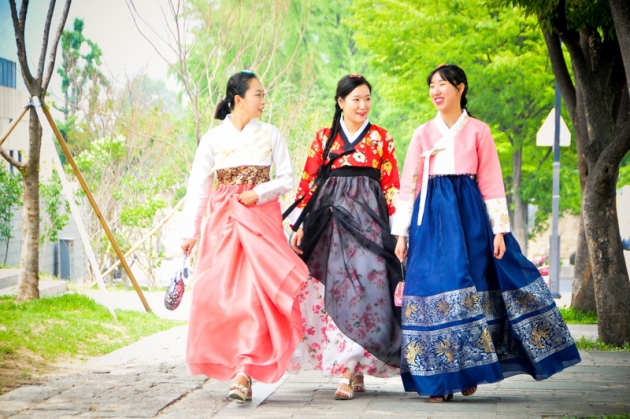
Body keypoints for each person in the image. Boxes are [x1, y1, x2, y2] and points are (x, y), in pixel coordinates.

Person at [392, 64, 581, 403]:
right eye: (432, 85)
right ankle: (440, 381)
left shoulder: (479, 131)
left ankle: (470, 370)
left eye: (443, 84)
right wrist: (401, 234)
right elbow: (408, 186)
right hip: (430, 221)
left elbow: (491, 183)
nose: (436, 91)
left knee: (472, 288)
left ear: (460, 88)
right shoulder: (423, 133)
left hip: (469, 219)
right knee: (434, 289)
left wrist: (499, 231)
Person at [180, 71, 309, 403]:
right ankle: (234, 363)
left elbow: (287, 178)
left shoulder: (271, 134)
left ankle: (244, 372)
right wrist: (190, 232)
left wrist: (259, 192)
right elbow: (198, 188)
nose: (264, 100)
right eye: (258, 94)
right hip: (223, 223)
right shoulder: (212, 139)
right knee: (221, 296)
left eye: (264, 94)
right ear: (238, 100)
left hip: (260, 220)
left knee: (254, 296)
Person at [288, 74, 402, 400]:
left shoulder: (382, 138)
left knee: (368, 290)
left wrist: (399, 232)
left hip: (370, 225)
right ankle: (347, 369)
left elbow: (392, 186)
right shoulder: (324, 137)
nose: (363, 105)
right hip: (331, 223)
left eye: (367, 99)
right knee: (339, 290)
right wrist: (298, 225)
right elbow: (309, 183)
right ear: (340, 102)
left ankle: (354, 364)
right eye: (355, 99)